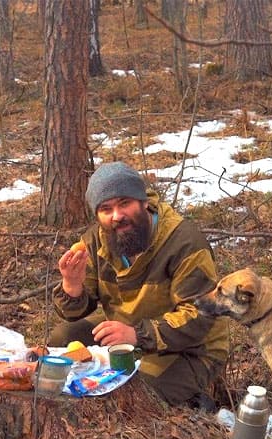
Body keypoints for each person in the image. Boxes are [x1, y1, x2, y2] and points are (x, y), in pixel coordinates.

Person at [52, 162, 229, 410]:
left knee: (136, 392)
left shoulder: (183, 242)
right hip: (128, 331)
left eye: (124, 203)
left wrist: (137, 335)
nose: (117, 216)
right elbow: (75, 311)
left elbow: (200, 316)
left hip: (191, 348)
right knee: (62, 340)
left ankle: (193, 403)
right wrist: (72, 286)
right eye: (106, 208)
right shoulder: (96, 239)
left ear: (143, 201)